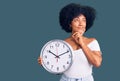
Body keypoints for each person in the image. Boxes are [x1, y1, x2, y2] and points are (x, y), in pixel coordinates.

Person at [38, 3, 102, 81]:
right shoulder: (62, 44)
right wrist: (46, 64)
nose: (81, 24)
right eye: (76, 20)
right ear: (70, 23)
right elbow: (60, 68)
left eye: (84, 20)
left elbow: (97, 63)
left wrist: (82, 43)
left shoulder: (92, 42)